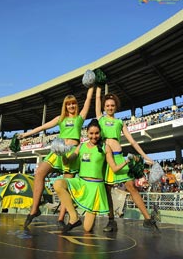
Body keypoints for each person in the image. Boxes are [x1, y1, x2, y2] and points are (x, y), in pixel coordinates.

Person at [19, 86, 94, 228]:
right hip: (57, 151)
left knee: (65, 187)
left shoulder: (80, 118)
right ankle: (34, 209)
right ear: (65, 106)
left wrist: (91, 85)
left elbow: (88, 100)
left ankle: (61, 219)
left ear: (76, 105)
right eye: (68, 104)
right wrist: (25, 135)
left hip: (72, 153)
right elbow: (43, 127)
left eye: (73, 103)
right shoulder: (60, 118)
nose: (71, 106)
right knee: (40, 172)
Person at [95, 86, 158, 232]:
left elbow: (133, 142)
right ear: (104, 107)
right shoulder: (100, 118)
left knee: (132, 187)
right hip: (105, 159)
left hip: (119, 159)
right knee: (107, 190)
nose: (110, 107)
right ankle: (111, 221)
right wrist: (98, 87)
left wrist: (145, 156)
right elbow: (97, 100)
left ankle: (147, 219)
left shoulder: (120, 123)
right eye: (107, 105)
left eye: (112, 105)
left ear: (115, 107)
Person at [53, 119, 130, 232]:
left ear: (100, 133)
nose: (94, 136)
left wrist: (126, 161)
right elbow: (67, 162)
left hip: (95, 189)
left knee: (87, 229)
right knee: (58, 184)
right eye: (91, 133)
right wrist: (62, 154)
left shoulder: (105, 147)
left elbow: (114, 168)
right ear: (87, 133)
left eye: (97, 133)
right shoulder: (81, 146)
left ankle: (79, 220)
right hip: (81, 183)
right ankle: (74, 217)